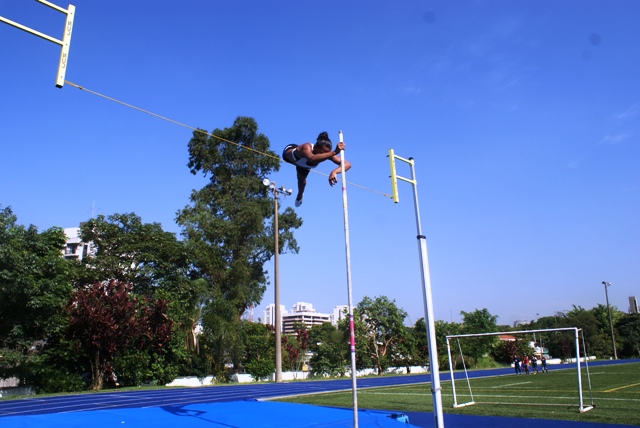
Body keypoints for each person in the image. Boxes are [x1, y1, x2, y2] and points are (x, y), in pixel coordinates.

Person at [282, 132, 351, 206]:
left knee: (302, 182)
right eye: (322, 152)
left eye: (326, 153)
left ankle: (299, 195)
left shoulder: (328, 154)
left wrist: (335, 171)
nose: (324, 155)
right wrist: (334, 152)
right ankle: (300, 195)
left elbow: (347, 164)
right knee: (302, 179)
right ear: (316, 147)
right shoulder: (306, 147)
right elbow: (312, 159)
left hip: (302, 166)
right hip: (289, 156)